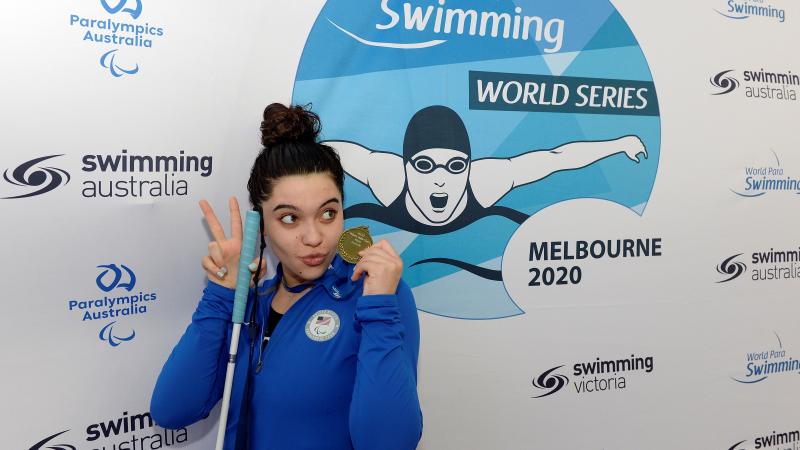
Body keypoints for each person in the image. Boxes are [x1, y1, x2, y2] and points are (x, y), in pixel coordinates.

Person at [150, 103, 423, 450]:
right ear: (261, 226)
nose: (313, 237)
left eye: (328, 213)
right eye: (290, 218)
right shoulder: (252, 303)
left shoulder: (375, 295)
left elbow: (389, 443)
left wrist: (380, 309)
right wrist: (222, 295)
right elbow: (172, 410)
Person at [329, 105, 648, 235]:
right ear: (407, 167)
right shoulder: (387, 177)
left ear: (468, 168)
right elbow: (340, 151)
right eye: (425, 165)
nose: (440, 178)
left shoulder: (485, 181)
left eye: (455, 166)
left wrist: (619, 143)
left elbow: (555, 158)